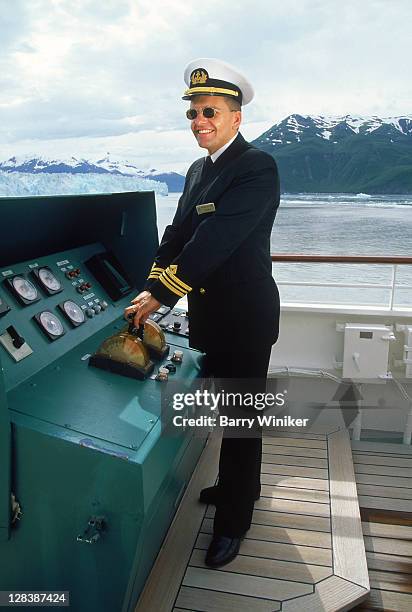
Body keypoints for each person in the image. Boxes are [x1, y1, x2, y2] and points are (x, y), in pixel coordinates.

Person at [124, 58, 280, 567]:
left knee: (240, 424)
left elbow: (215, 241)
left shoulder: (256, 167)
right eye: (192, 114)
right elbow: (177, 236)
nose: (199, 122)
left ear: (236, 117)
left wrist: (163, 295)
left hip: (244, 319)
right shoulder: (197, 170)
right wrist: (149, 285)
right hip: (209, 318)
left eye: (210, 111)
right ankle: (231, 485)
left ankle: (235, 520)